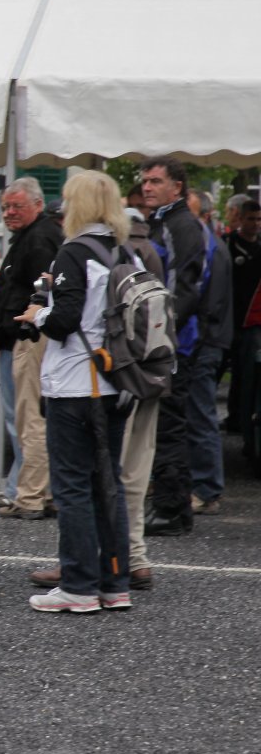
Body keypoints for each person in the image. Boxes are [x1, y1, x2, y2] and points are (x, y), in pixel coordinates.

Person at [14, 170, 135, 613]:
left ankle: (79, 586)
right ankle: (114, 583)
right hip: (117, 380)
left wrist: (38, 314)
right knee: (108, 485)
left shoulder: (74, 252)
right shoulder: (124, 251)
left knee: (72, 486)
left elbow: (65, 320)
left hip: (75, 383)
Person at [141, 156, 230, 534]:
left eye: (155, 181)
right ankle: (173, 507)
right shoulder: (165, 222)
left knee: (171, 425)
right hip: (171, 340)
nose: (147, 187)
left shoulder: (181, 225)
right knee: (167, 424)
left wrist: (160, 335)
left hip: (177, 343)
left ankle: (171, 508)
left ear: (176, 187)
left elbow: (183, 289)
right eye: (145, 180)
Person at [0, 178, 63, 519]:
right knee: (24, 418)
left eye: (16, 206)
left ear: (38, 206)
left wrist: (4, 329)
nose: (9, 213)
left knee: (26, 419)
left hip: (28, 338)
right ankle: (35, 491)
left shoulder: (39, 239)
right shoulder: (32, 236)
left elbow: (37, 293)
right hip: (18, 337)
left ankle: (28, 493)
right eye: (5, 207)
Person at [227, 199, 261, 440]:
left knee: (247, 375)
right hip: (229, 320)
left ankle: (242, 421)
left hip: (252, 323)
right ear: (240, 219)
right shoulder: (228, 245)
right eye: (251, 219)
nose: (255, 224)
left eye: (259, 219)